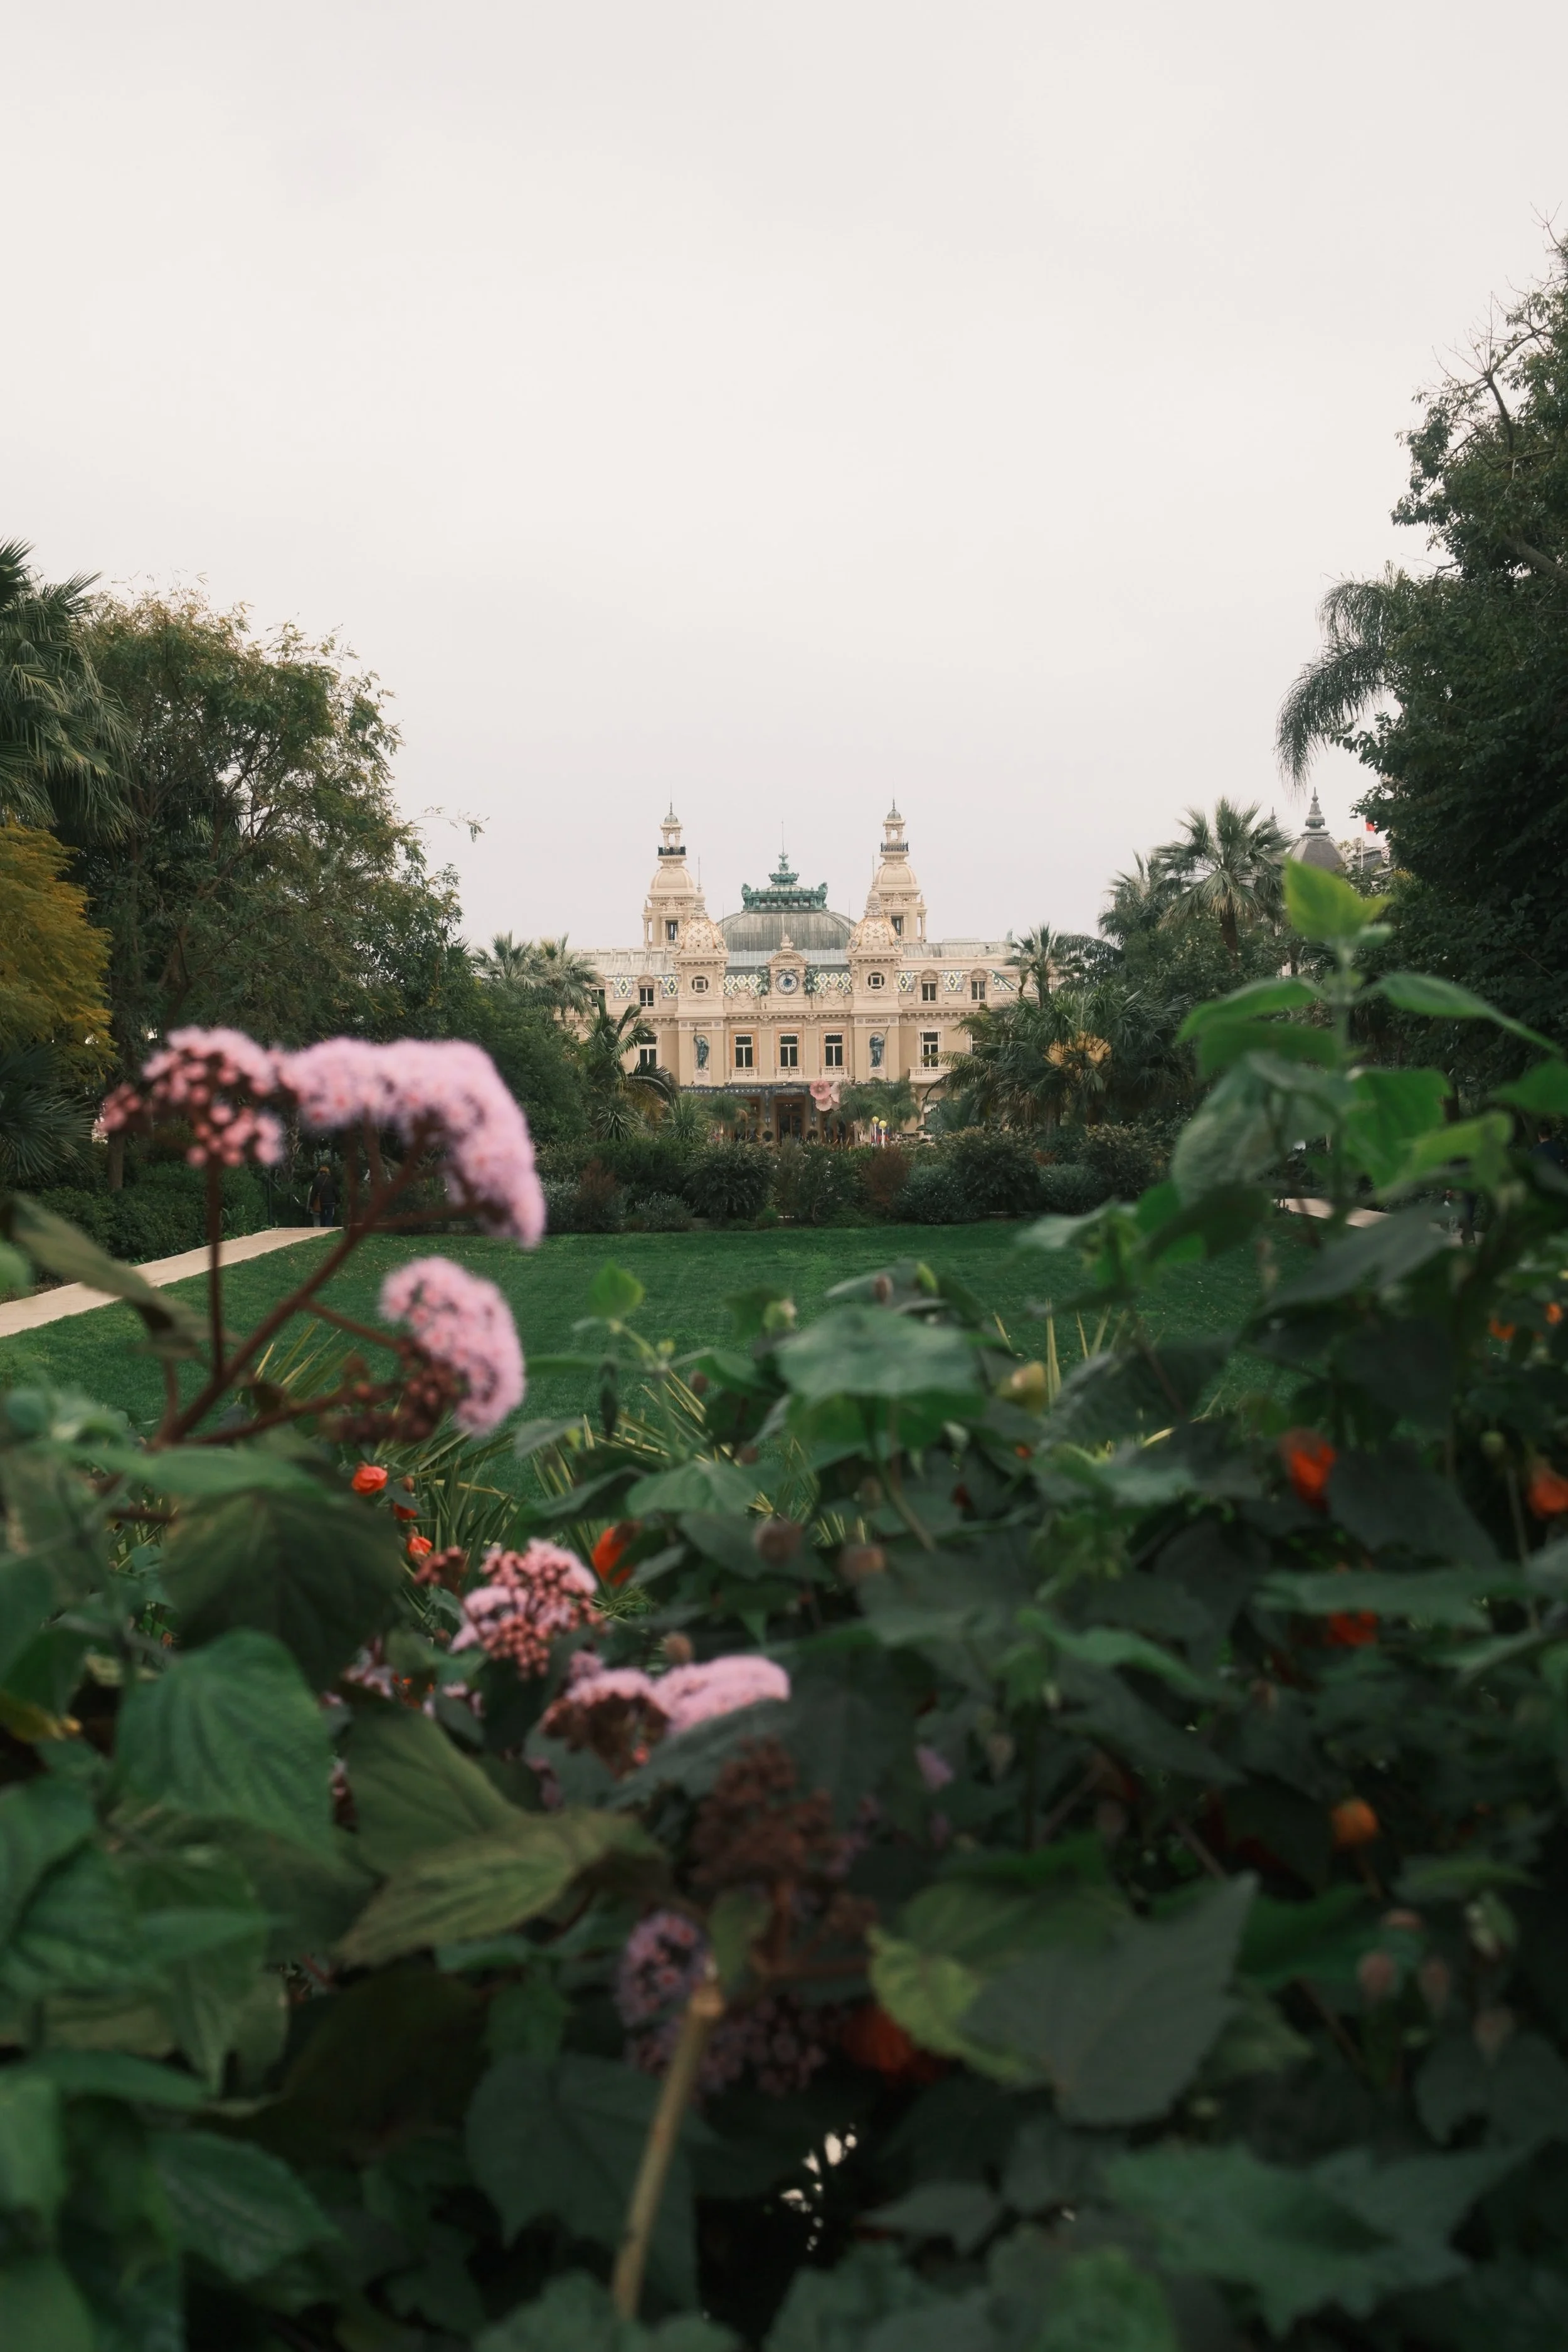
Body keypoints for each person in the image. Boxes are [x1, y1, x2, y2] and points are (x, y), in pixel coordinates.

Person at [308, 1163, 338, 1227]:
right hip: (331, 1201)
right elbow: (336, 1191)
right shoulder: (332, 1180)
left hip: (321, 1201)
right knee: (329, 1217)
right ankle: (329, 1229)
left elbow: (314, 1193)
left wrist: (311, 1204)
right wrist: (338, 1201)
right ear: (328, 1172)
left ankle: (323, 1228)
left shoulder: (316, 1180)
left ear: (320, 1172)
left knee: (322, 1216)